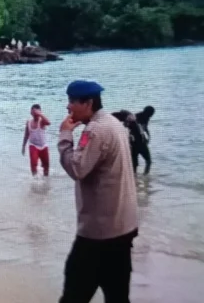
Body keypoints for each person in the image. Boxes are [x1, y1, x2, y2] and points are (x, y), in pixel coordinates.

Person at [58, 80, 139, 303]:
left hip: (99, 234)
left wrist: (65, 136)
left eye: (72, 101)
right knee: (117, 295)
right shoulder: (113, 123)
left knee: (74, 295)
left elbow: (77, 168)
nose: (68, 106)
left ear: (88, 103)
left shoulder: (95, 130)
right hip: (123, 226)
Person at [112, 110, 151, 176]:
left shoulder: (131, 118)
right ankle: (145, 175)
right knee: (147, 161)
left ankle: (134, 176)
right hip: (140, 143)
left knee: (134, 163)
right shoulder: (133, 118)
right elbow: (142, 129)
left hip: (134, 144)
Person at [22, 104, 51, 177]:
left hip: (43, 146)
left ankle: (46, 180)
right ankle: (34, 180)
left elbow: (48, 123)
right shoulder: (29, 122)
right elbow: (26, 135)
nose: (35, 114)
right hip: (33, 145)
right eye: (33, 112)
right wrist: (23, 146)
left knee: (46, 165)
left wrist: (40, 114)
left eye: (36, 112)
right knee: (33, 163)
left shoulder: (42, 121)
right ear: (31, 112)